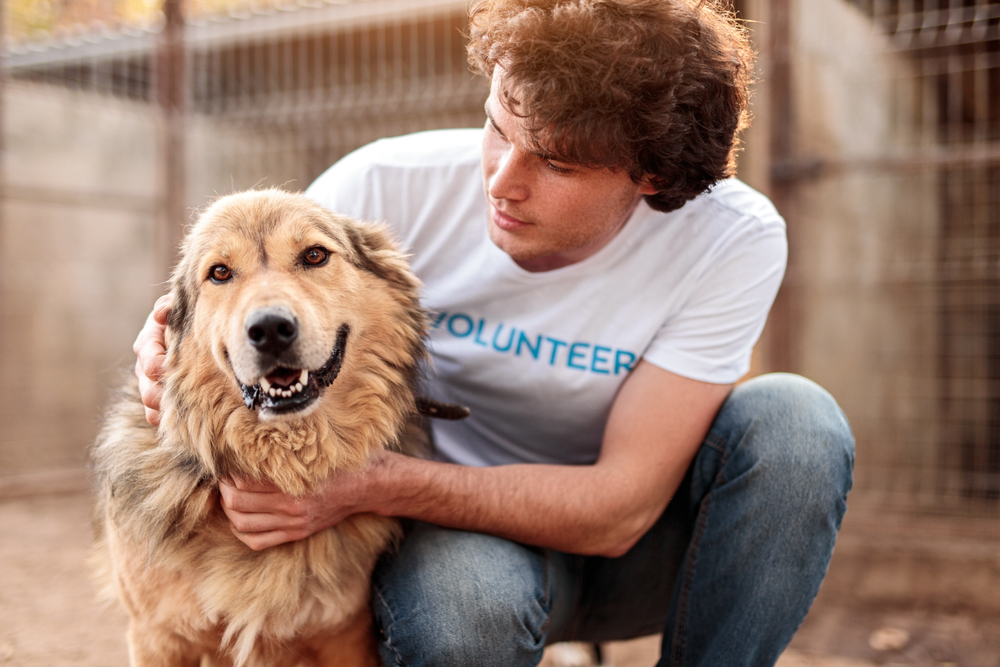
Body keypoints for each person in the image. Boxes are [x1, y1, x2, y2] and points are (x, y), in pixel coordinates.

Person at [133, 0, 855, 665]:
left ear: (651, 177)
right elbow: (241, 289)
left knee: (798, 424)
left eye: (555, 160)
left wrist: (363, 485)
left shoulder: (731, 237)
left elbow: (620, 509)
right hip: (460, 548)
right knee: (463, 610)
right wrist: (158, 342)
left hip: (643, 549)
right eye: (497, 128)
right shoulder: (385, 184)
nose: (501, 180)